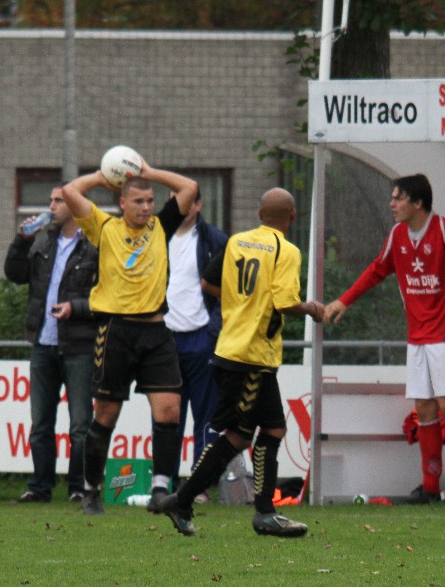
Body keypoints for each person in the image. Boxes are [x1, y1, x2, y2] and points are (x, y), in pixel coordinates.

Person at [151, 188, 324, 536]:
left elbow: (207, 282)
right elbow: (284, 302)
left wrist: (241, 302)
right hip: (251, 356)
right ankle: (188, 501)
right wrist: (311, 308)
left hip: (233, 350)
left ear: (260, 215)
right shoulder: (287, 250)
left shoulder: (237, 242)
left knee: (266, 430)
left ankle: (258, 511)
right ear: (292, 216)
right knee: (238, 436)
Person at [325, 174, 445, 504]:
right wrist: (344, 300)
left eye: (398, 198)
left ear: (418, 203)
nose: (392, 204)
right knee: (423, 407)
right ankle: (429, 486)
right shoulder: (397, 235)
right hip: (417, 337)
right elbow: (377, 269)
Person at [60, 155, 198, 515]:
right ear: (122, 203)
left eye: (150, 200)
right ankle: (91, 490)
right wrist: (100, 177)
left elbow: (189, 188)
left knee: (169, 410)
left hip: (156, 331)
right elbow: (69, 191)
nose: (146, 207)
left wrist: (150, 173)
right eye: (138, 201)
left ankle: (160, 490)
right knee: (106, 415)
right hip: (116, 331)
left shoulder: (161, 226)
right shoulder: (104, 227)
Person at [3, 187, 99, 503]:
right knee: (41, 423)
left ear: (74, 205)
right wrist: (22, 241)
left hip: (79, 345)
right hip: (43, 343)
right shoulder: (43, 241)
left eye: (58, 200)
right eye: (51, 200)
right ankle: (40, 487)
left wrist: (76, 308)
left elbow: (107, 296)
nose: (51, 206)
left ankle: (78, 488)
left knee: (80, 424)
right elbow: (15, 274)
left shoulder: (94, 245)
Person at [162, 192, 228, 495]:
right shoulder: (157, 236)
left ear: (199, 204)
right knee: (168, 415)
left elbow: (228, 289)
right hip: (166, 339)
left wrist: (215, 327)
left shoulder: (215, 239)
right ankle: (165, 483)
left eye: (187, 200)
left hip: (202, 337)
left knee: (205, 416)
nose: (180, 206)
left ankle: (198, 486)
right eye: (173, 201)